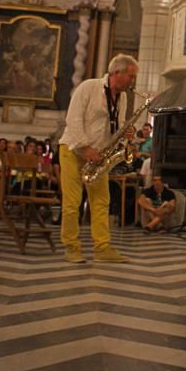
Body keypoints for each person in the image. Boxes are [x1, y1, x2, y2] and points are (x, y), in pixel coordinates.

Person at [58, 54, 139, 263]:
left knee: (102, 201)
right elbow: (73, 120)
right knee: (72, 202)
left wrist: (126, 134)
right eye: (130, 76)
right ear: (116, 72)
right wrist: (86, 148)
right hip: (73, 150)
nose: (132, 81)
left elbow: (116, 127)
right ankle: (71, 247)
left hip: (99, 156)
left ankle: (102, 248)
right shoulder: (88, 87)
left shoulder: (122, 97)